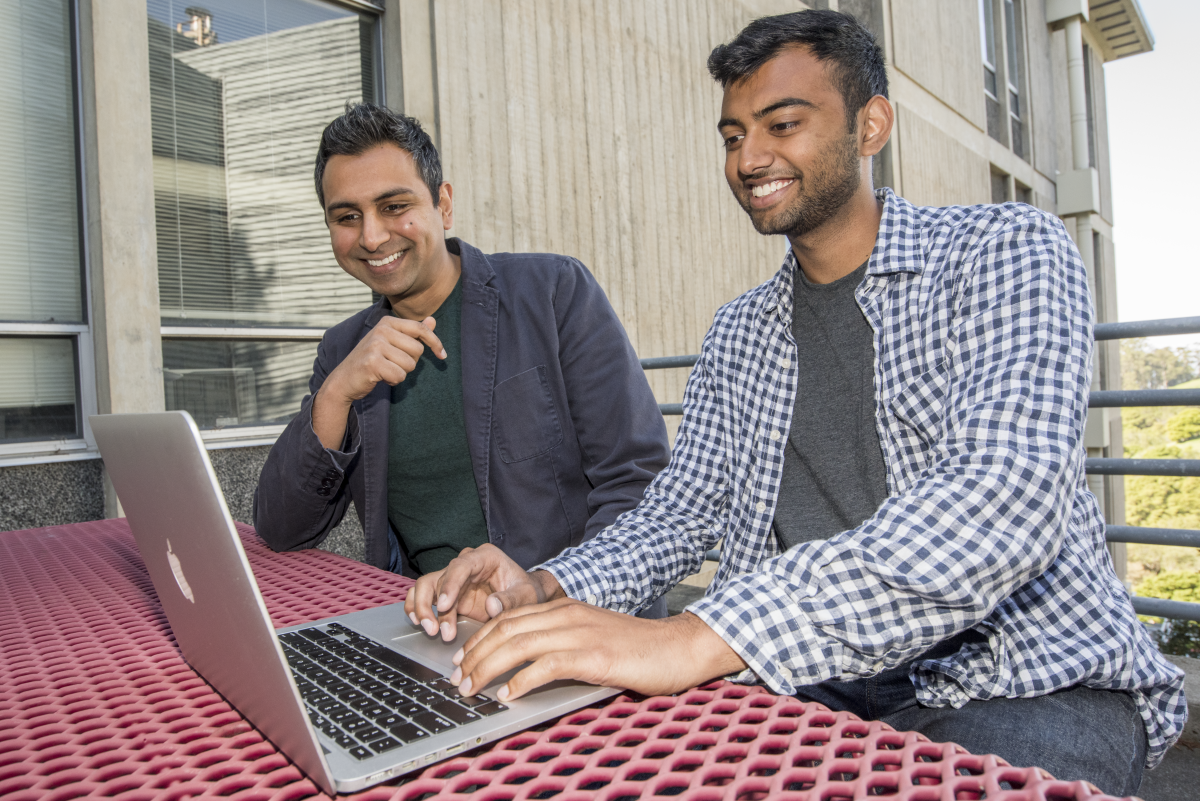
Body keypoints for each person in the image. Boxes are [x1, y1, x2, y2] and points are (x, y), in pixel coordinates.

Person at [403, 10, 1186, 794]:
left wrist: (696, 635)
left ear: (870, 125)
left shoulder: (1008, 252)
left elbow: (1000, 503)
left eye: (783, 123)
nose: (750, 157)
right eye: (733, 134)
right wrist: (548, 585)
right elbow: (679, 514)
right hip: (815, 673)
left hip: (1025, 676)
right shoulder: (740, 330)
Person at [253, 103, 671, 619]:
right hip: (426, 632)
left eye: (393, 205)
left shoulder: (552, 292)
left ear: (443, 205)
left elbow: (639, 483)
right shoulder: (344, 351)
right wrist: (336, 393)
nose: (372, 237)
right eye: (347, 217)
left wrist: (549, 590)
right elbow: (281, 527)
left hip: (573, 622)